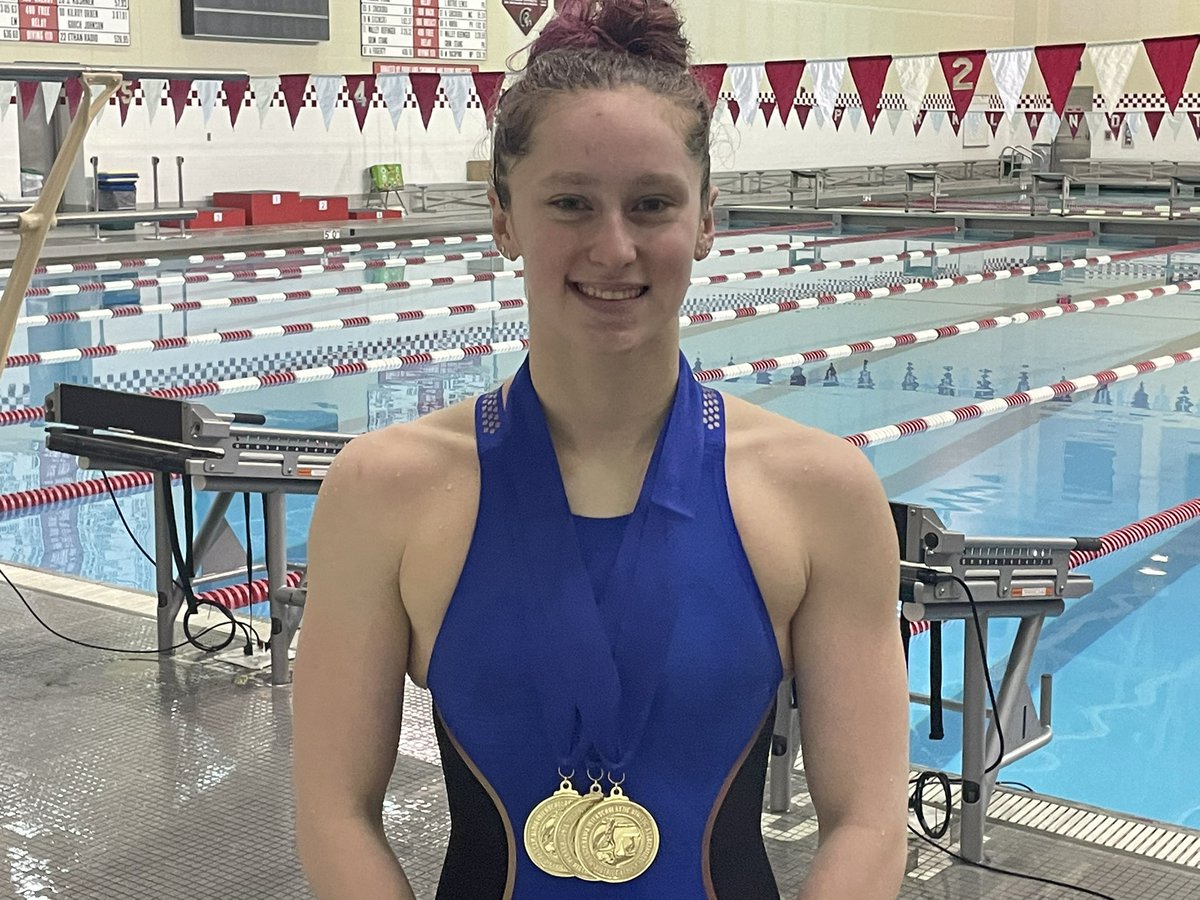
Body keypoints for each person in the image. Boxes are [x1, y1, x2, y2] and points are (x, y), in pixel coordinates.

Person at [292, 1, 909, 897]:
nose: (614, 247)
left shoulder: (820, 491)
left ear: (705, 222)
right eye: (571, 203)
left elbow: (867, 823)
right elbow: (335, 812)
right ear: (503, 218)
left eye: (652, 204)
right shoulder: (386, 490)